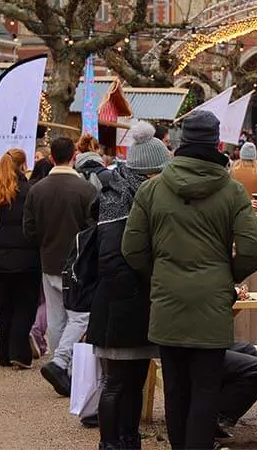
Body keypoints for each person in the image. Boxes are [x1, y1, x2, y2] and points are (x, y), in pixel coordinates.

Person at [122, 110, 257, 450]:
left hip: (168, 299)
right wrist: (227, 275)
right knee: (206, 387)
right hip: (212, 301)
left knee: (176, 389)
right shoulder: (231, 192)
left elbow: (132, 248)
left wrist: (157, 275)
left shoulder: (152, 190)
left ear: (179, 143)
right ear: (217, 143)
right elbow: (252, 248)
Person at [88, 122, 170, 450]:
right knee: (115, 382)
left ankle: (129, 438)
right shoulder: (116, 200)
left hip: (134, 304)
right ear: (149, 171)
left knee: (134, 381)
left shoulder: (141, 195)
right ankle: (110, 443)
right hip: (117, 307)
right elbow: (109, 258)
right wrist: (134, 294)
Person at [25, 134, 99, 397]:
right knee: (80, 315)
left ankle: (62, 365)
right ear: (74, 156)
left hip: (49, 259)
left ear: (52, 157)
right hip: (77, 262)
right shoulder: (86, 190)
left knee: (57, 316)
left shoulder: (38, 189)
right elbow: (93, 229)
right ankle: (61, 363)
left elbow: (29, 230)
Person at [0, 148, 39, 369]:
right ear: (24, 165)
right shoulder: (29, 191)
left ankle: (4, 352)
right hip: (26, 257)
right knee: (24, 306)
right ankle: (19, 351)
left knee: (4, 307)